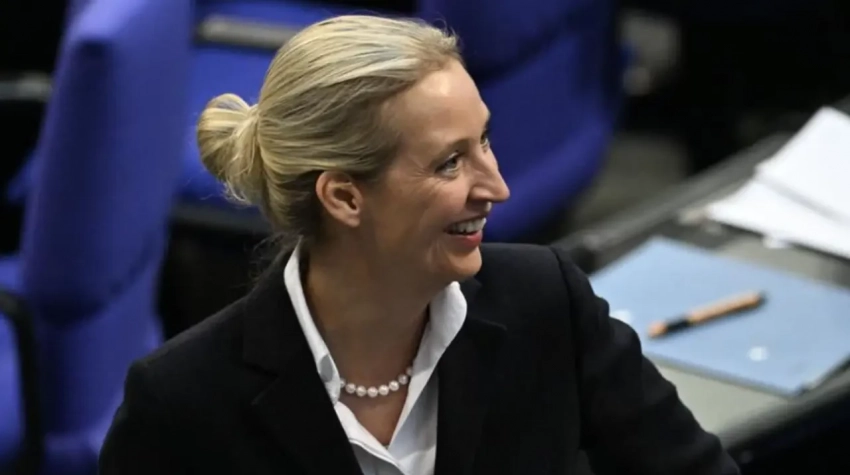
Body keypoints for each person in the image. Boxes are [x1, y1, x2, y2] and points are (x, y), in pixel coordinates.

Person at [99, 15, 739, 475]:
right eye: (449, 163)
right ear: (344, 197)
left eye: (484, 141)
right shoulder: (183, 405)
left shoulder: (549, 303)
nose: (498, 187)